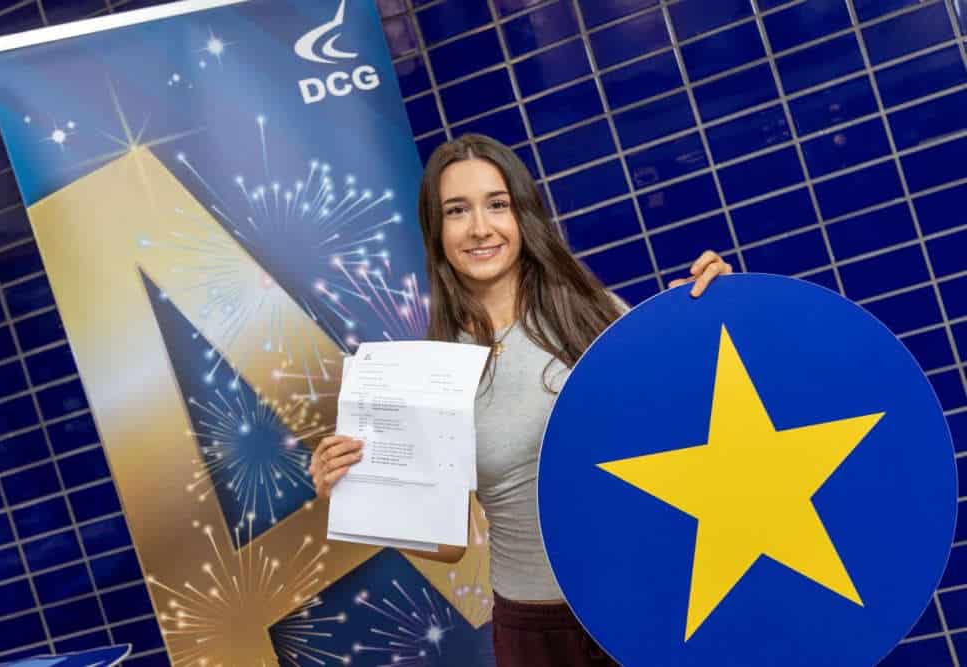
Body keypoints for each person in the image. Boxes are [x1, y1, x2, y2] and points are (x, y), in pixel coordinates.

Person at [308, 134, 733, 666]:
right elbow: (449, 545)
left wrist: (717, 313)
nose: (479, 228)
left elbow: (687, 427)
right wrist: (356, 491)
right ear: (436, 231)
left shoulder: (594, 315)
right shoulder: (431, 371)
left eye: (497, 204)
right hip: (537, 630)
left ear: (523, 216)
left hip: (646, 601)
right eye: (457, 211)